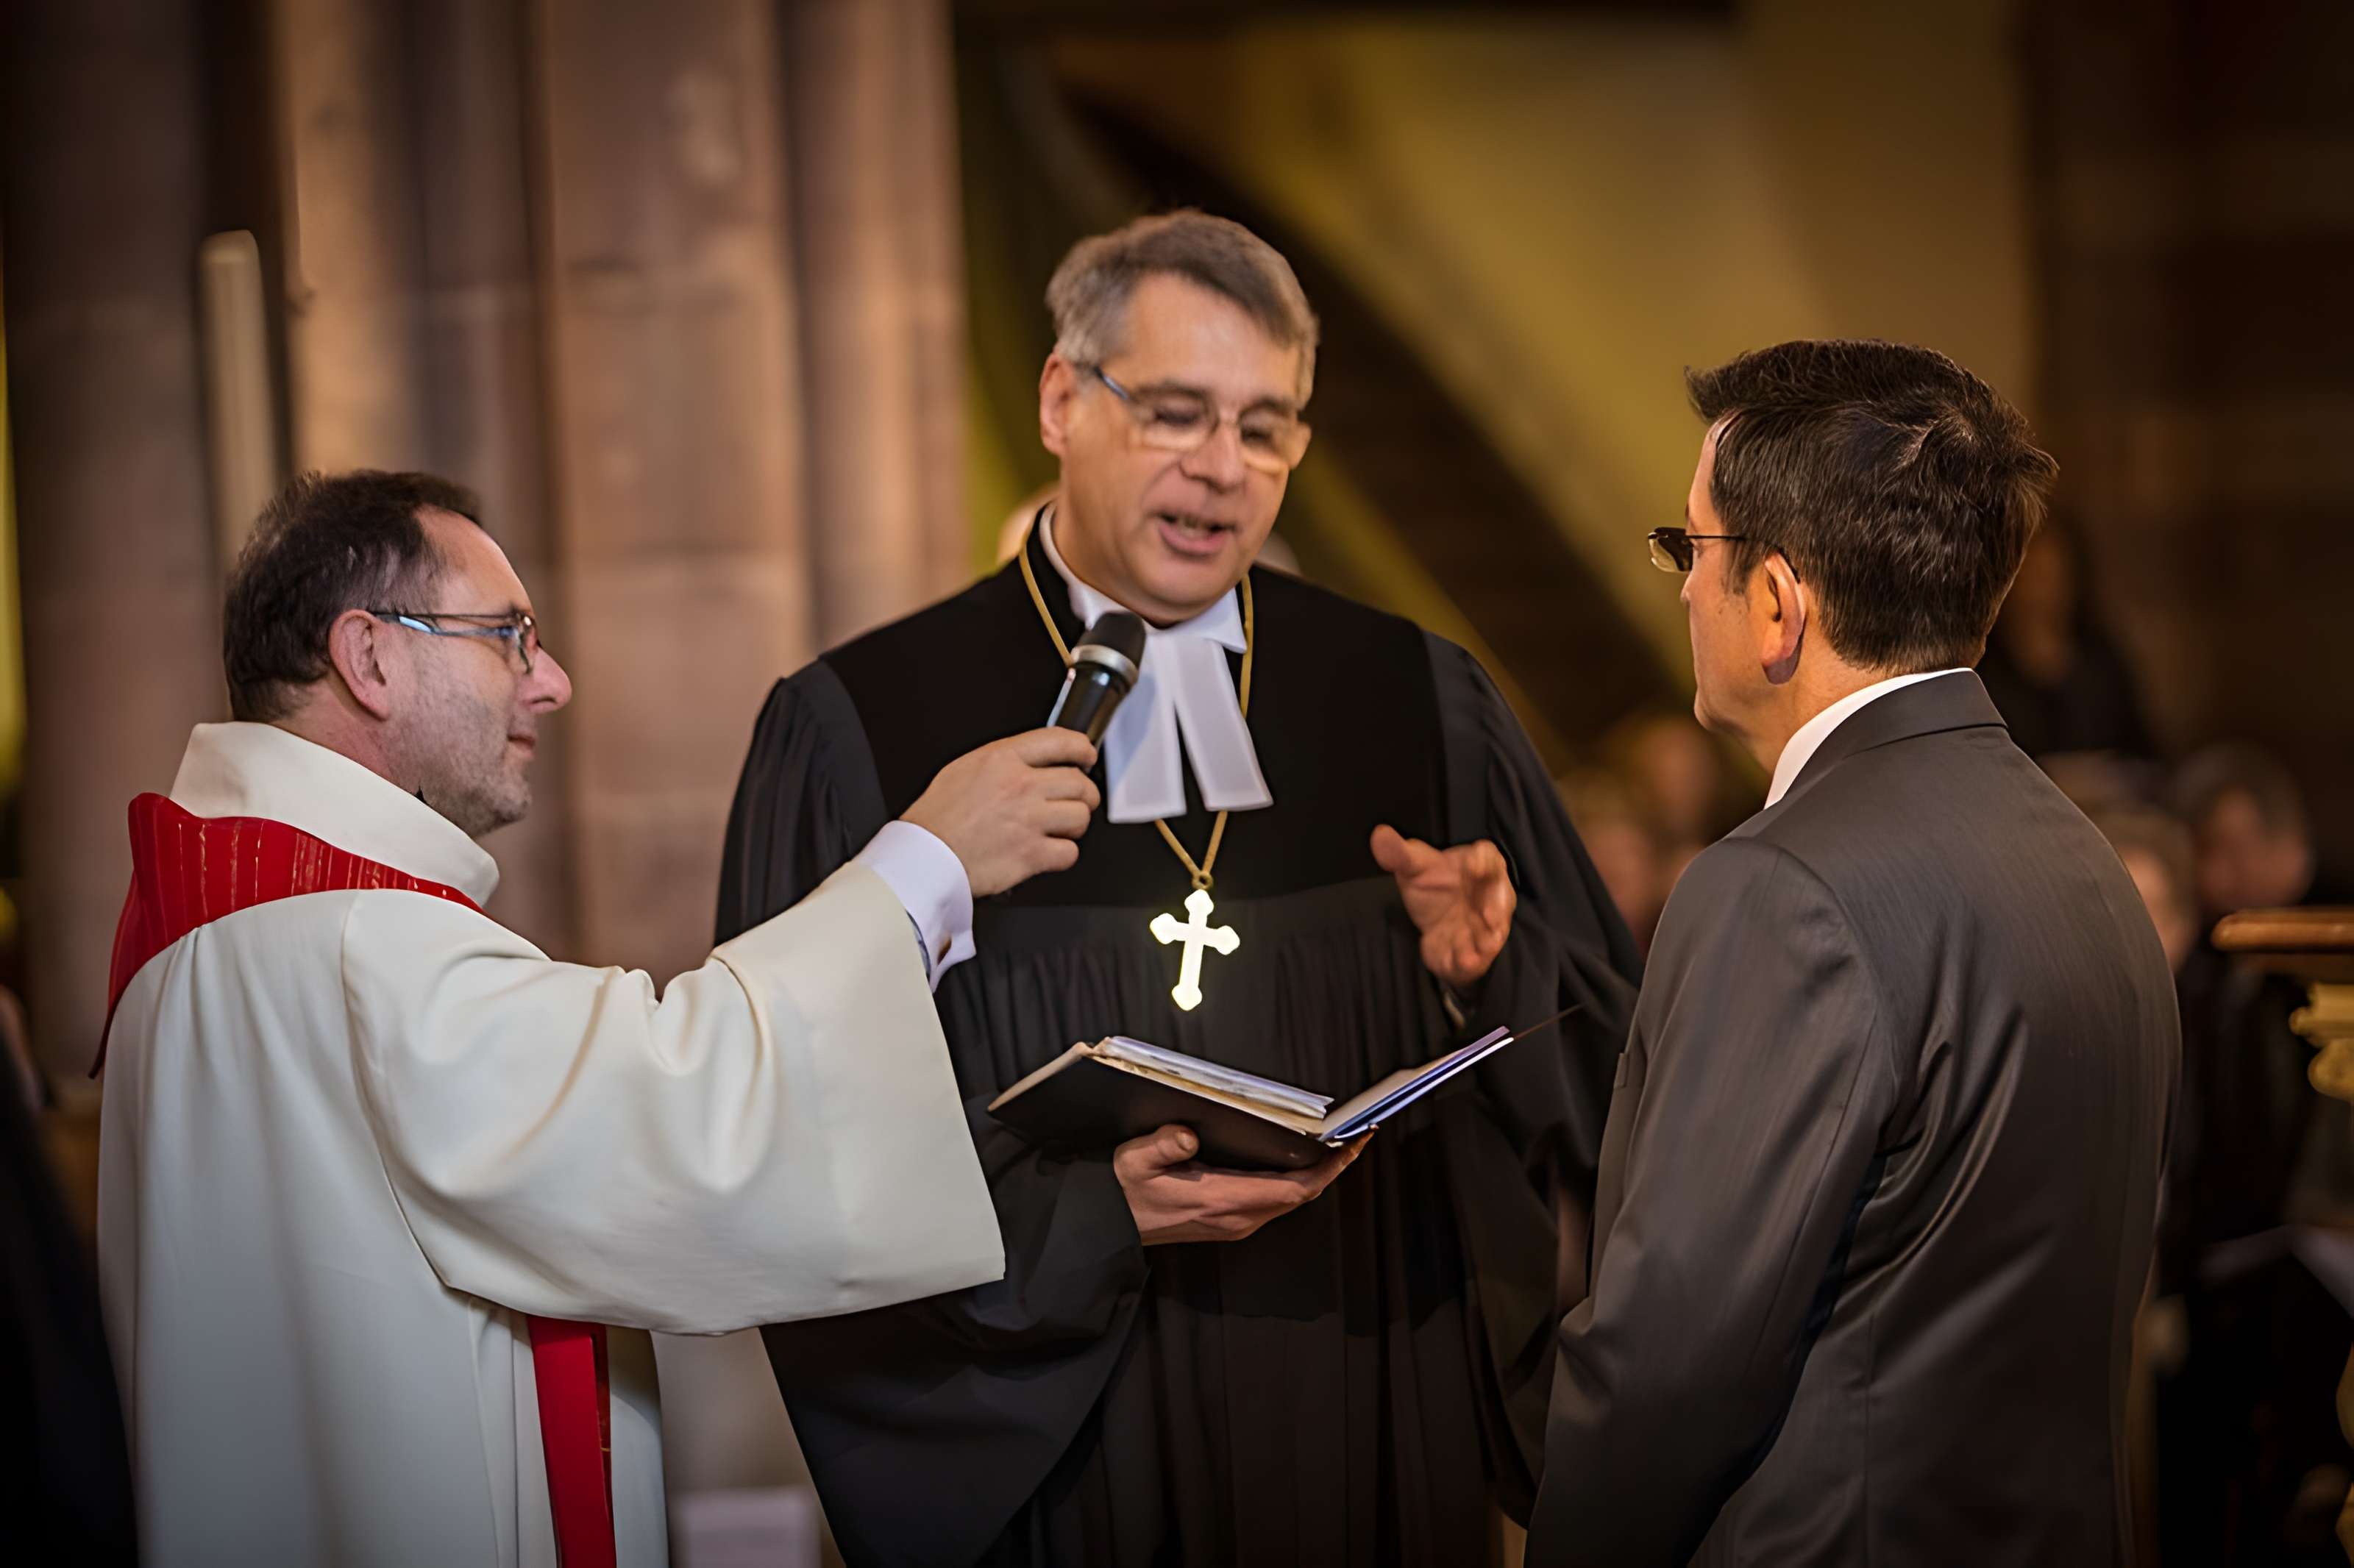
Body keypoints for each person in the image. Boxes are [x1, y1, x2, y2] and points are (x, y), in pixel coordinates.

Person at [717, 210, 1640, 1567]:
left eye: (1266, 428)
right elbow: (782, 1110)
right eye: (1176, 413)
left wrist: (1487, 970)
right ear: (1061, 402)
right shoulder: (867, 723)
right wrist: (1084, 1219)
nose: (1224, 472)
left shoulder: (1416, 698)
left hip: (1366, 1393)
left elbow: (1619, 1064)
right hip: (1069, 1423)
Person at [97, 470, 1101, 1567]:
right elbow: (686, 1106)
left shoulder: (216, 929)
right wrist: (926, 866)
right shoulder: (351, 947)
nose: (555, 682)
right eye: (510, 636)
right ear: (371, 657)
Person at [1527, 340, 2178, 1564]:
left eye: (1690, 548)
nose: (1677, 590)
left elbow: (1670, 1362)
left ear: (1777, 604)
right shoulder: (2088, 859)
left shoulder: (1776, 889)